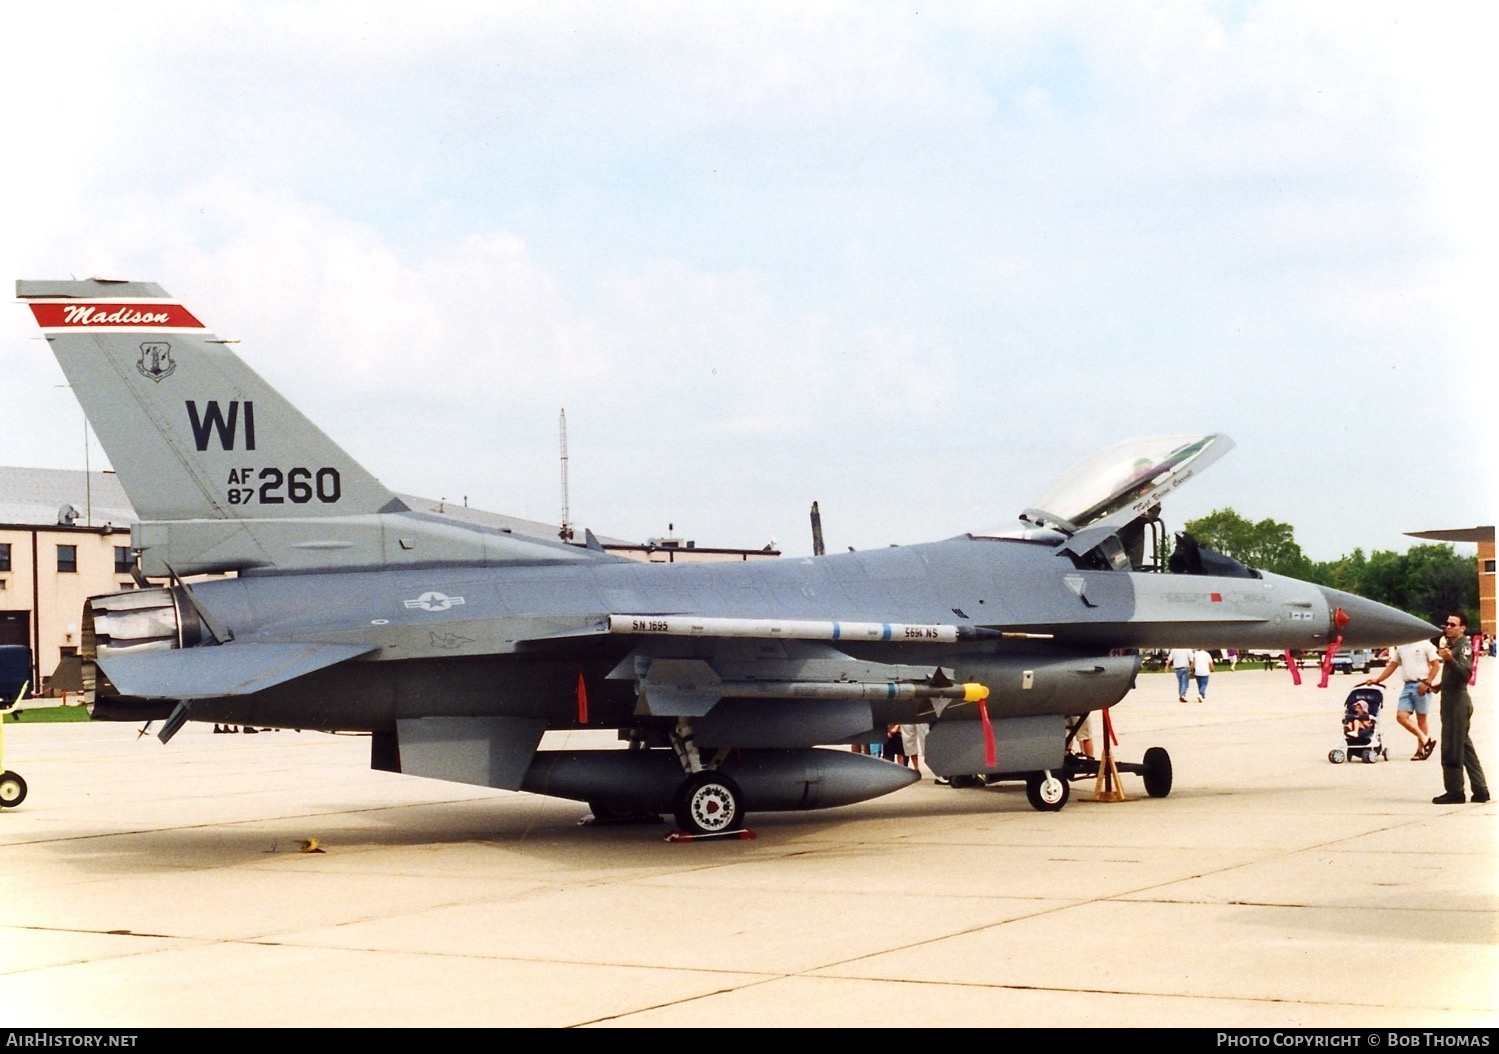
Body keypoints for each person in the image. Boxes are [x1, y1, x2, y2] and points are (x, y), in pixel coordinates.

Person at [1432, 612, 1490, 805]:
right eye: (1447, 624)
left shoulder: (1463, 647)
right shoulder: (1453, 646)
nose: (1448, 627)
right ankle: (1480, 789)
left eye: (1453, 624)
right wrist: (1438, 686)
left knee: (1451, 748)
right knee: (1464, 746)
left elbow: (1465, 674)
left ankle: (1455, 791)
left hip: (1457, 703)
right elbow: (1453, 677)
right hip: (1450, 700)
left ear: (1462, 628)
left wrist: (1449, 660)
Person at [1362, 638, 1440, 759]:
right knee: (1401, 717)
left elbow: (1435, 665)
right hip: (1407, 685)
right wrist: (1378, 680)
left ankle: (1421, 750)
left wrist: (1427, 682)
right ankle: (1426, 740)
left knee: (1421, 718)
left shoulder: (1425, 644)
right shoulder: (1401, 647)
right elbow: (1393, 665)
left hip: (1421, 683)